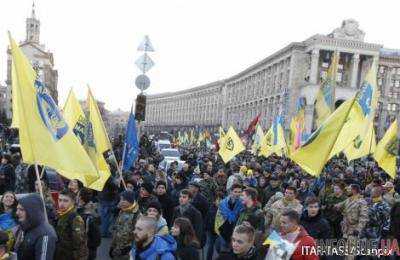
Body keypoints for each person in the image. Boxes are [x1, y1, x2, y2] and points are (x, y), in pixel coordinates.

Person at [14, 193, 57, 260]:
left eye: (21, 210)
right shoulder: (27, 226)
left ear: (32, 211)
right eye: (17, 209)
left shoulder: (45, 234)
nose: (17, 212)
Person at [54, 190, 88, 260]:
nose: (61, 203)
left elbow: (80, 245)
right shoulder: (59, 214)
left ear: (72, 202)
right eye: (60, 200)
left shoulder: (75, 219)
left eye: (65, 201)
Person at [214, 184, 244, 256]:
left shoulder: (242, 203)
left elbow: (233, 218)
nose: (237, 194)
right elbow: (231, 217)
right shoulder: (223, 203)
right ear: (231, 192)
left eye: (239, 192)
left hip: (235, 233)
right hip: (224, 232)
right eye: (235, 192)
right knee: (223, 254)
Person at [110, 190, 141, 260]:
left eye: (124, 200)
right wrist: (112, 246)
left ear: (130, 201)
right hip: (117, 247)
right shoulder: (122, 210)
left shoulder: (137, 215)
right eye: (121, 199)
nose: (121, 202)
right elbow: (117, 228)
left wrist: (129, 249)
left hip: (127, 251)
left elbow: (138, 236)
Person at [77, 188, 102, 260]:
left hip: (88, 251)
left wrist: (86, 244)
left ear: (80, 198)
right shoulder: (80, 210)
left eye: (78, 195)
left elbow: (97, 240)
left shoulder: (90, 217)